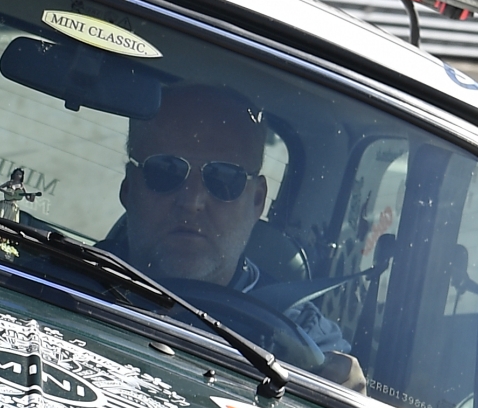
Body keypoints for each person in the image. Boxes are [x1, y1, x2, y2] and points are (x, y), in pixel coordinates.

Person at [116, 84, 364, 386]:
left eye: (223, 178)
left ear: (258, 200)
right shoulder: (67, 281)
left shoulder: (304, 339)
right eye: (165, 171)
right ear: (129, 187)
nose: (192, 201)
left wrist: (342, 393)